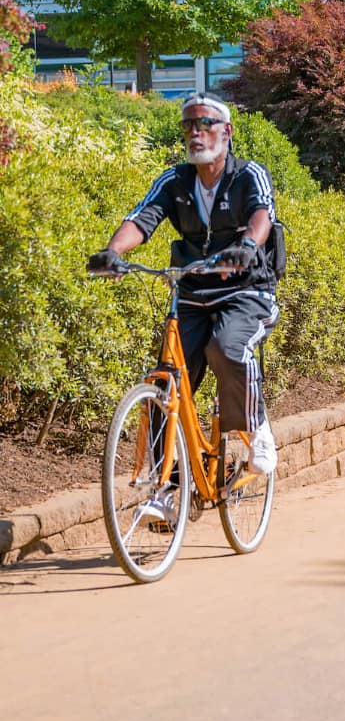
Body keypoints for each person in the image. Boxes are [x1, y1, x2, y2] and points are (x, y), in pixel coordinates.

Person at [87, 92, 279, 475]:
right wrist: (113, 251)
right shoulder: (175, 180)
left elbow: (262, 214)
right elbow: (141, 219)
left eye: (204, 123)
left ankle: (256, 427)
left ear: (227, 131)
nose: (195, 132)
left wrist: (245, 246)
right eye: (188, 124)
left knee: (226, 348)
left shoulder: (248, 174)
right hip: (192, 293)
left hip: (245, 291)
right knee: (167, 382)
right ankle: (165, 484)